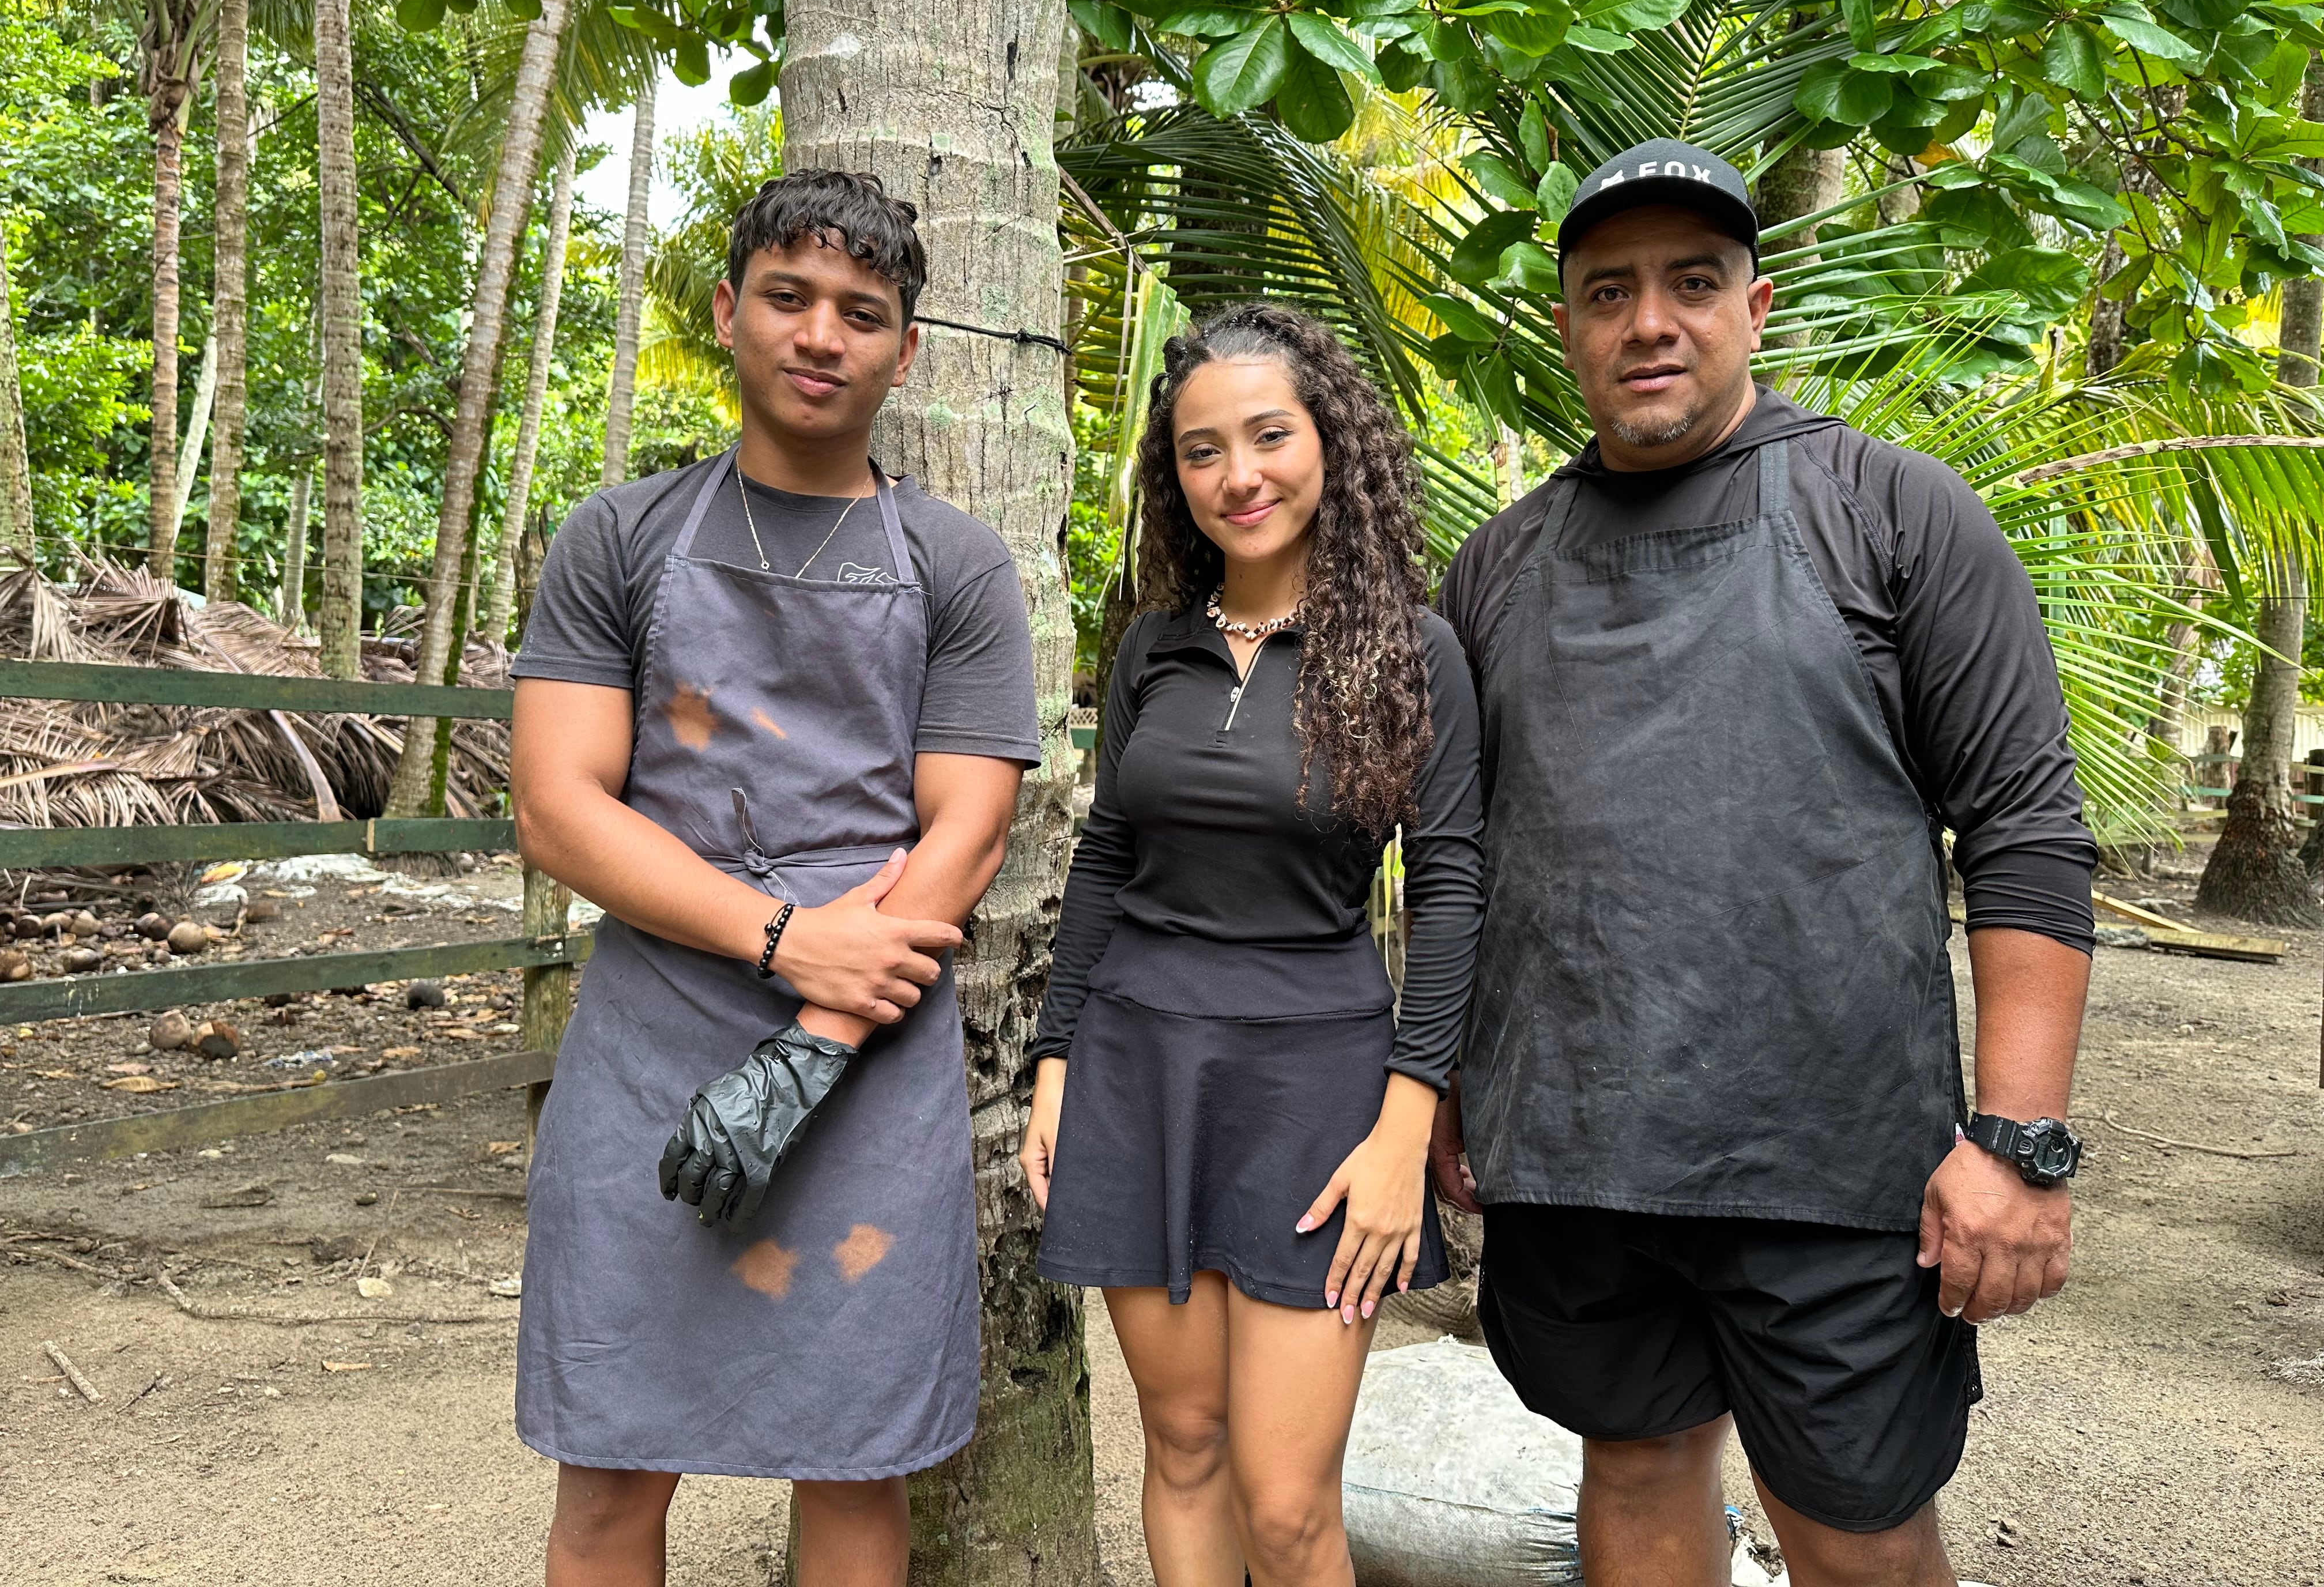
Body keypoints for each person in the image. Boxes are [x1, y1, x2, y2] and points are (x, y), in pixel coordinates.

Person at [1431, 139, 2097, 1587]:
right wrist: (1448, 1090)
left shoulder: (1894, 514)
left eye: (1692, 283)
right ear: (1568, 325)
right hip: (1579, 1157)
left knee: (1858, 1536)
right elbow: (1463, 858)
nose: (1649, 323)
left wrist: (2019, 1145)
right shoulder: (1498, 566)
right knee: (1635, 1465)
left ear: (1756, 306)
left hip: (1836, 1166)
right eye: (1608, 292)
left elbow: (2026, 835)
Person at [508, 171, 1041, 1587]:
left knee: (853, 1467)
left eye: (862, 313)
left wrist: (825, 1020)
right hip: (654, 1037)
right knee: (610, 1469)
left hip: (872, 1046)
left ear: (904, 352)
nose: (821, 335)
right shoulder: (618, 537)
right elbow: (560, 808)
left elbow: (970, 830)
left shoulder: (957, 565)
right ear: (728, 311)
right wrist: (788, 940)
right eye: (789, 297)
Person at [1019, 304, 1485, 1586]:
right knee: (1183, 1448)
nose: (1239, 475)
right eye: (1202, 450)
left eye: (1269, 436)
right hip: (1136, 1073)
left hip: (1315, 1096)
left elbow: (1452, 893)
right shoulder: (1152, 646)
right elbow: (1107, 857)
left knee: (1285, 1509)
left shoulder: (1414, 654)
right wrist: (1056, 1062)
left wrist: (1403, 1132)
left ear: (1329, 441)